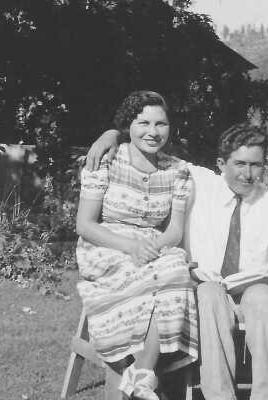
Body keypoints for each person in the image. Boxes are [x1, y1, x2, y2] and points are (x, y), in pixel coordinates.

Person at [86, 122, 268, 400]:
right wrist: (112, 135)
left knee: (264, 299)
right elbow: (151, 144)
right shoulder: (199, 182)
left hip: (254, 291)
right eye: (240, 164)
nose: (247, 174)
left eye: (255, 165)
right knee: (209, 294)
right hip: (206, 290)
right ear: (221, 164)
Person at [76, 90, 198, 400]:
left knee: (176, 268)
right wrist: (131, 246)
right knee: (153, 277)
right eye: (143, 123)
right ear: (127, 126)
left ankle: (142, 374)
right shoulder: (107, 160)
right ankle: (138, 374)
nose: (153, 132)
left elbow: (174, 230)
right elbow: (85, 225)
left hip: (153, 245)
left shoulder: (177, 170)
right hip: (106, 245)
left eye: (161, 124)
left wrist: (151, 246)